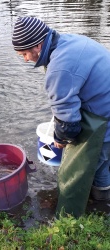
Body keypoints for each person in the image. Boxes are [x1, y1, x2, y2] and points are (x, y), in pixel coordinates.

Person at [12, 16, 110, 216]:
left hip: (105, 114)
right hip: (103, 98)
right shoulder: (69, 41)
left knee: (96, 159)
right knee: (106, 157)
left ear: (38, 45)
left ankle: (100, 203)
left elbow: (68, 123)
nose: (25, 59)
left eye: (24, 54)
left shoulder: (59, 68)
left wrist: (60, 138)